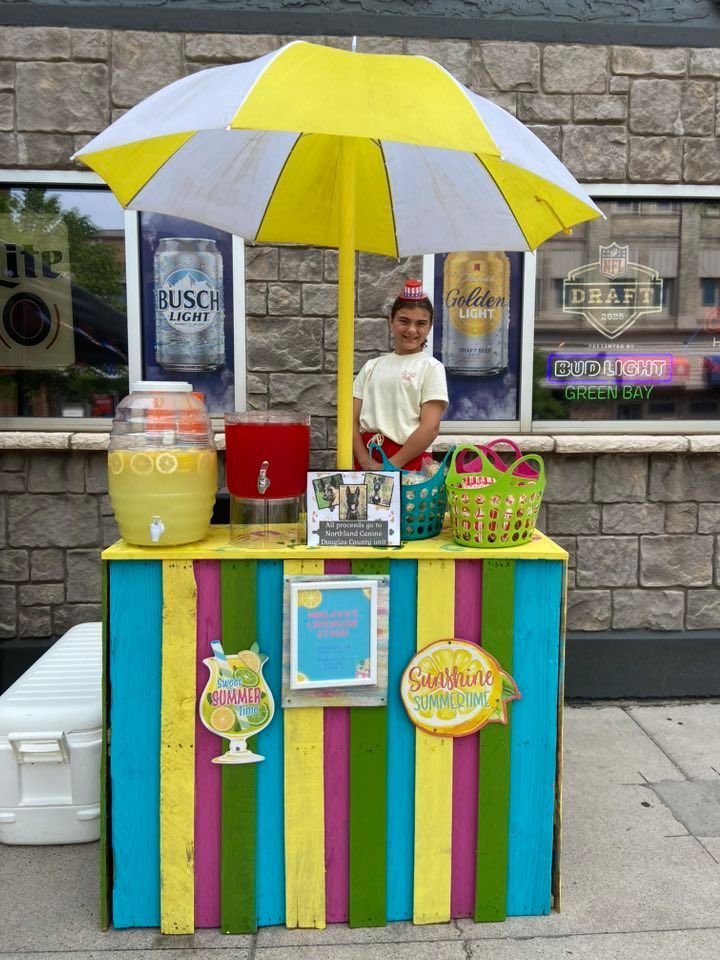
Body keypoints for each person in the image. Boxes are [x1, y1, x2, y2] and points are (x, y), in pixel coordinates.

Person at [352, 278, 448, 471]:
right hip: (367, 456)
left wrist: (390, 466)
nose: (412, 330)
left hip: (409, 460)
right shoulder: (371, 366)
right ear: (391, 322)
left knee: (404, 503)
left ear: (429, 328)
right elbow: (351, 419)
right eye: (404, 321)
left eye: (421, 323)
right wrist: (363, 459)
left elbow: (430, 427)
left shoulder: (431, 367)